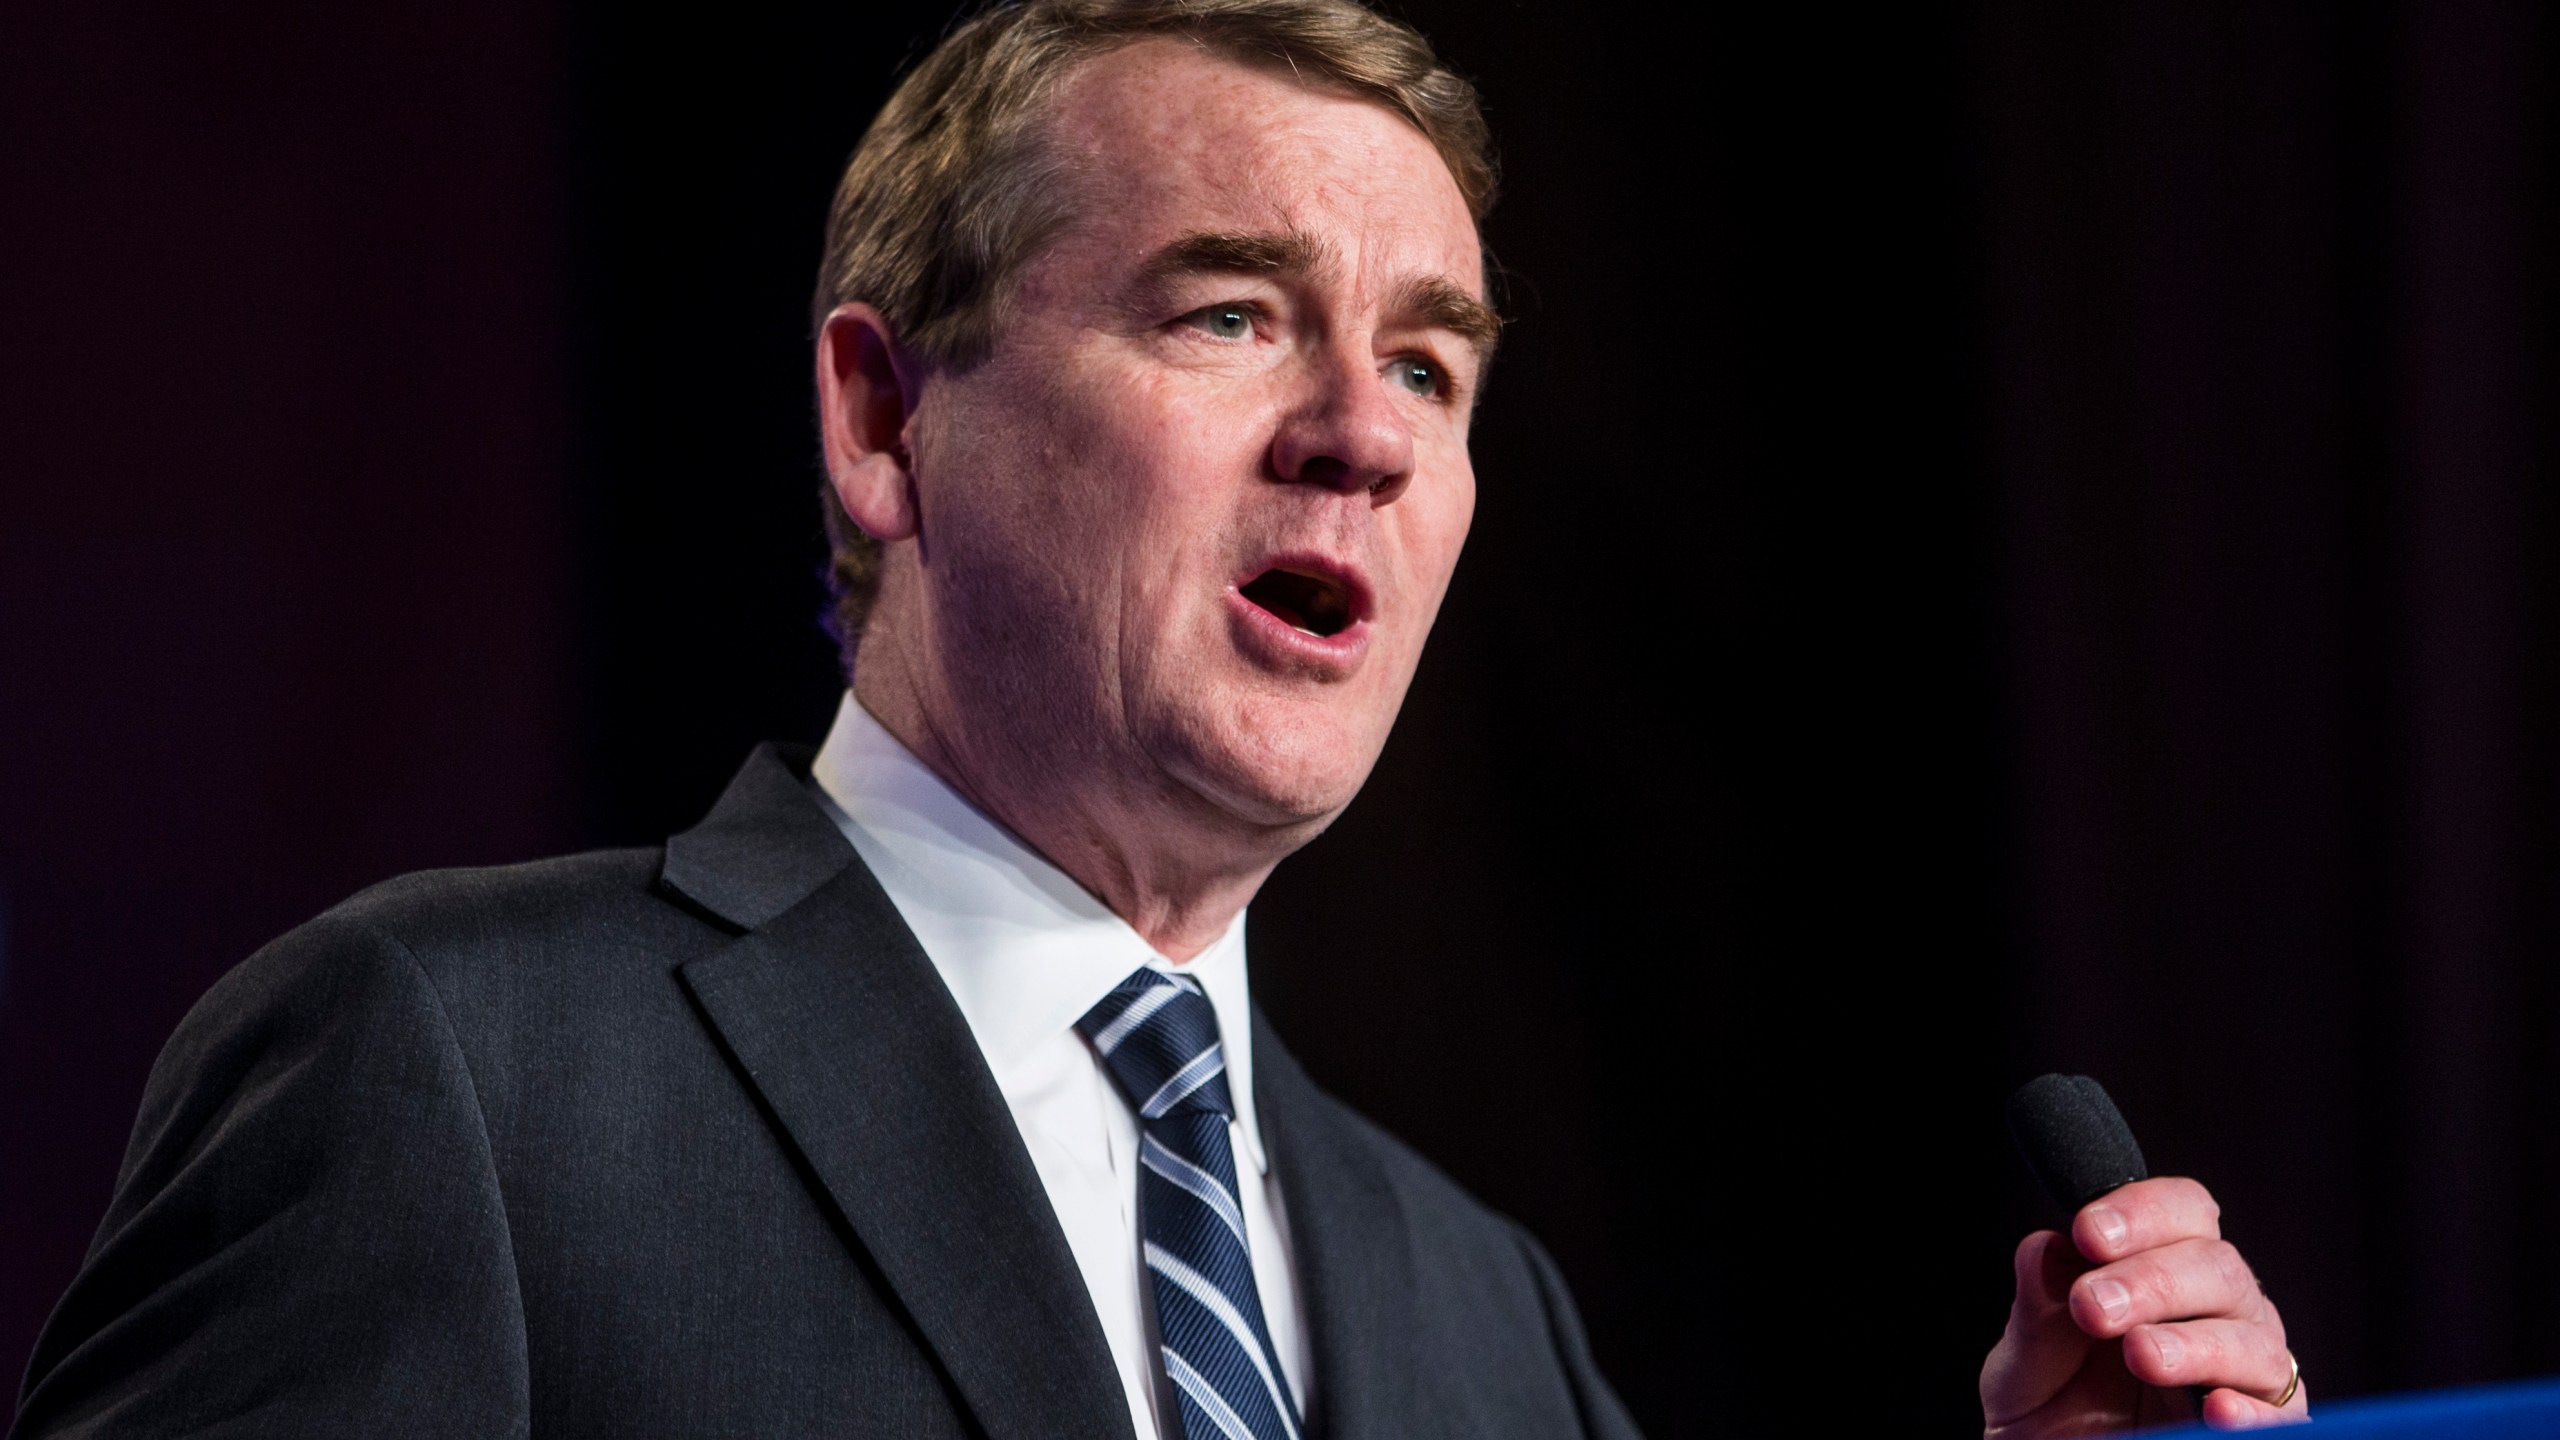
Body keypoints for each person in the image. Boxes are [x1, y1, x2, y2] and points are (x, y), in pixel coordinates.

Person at [10, 2, 2307, 1436]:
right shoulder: (457, 1074)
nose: (1364, 435)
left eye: (1428, 360)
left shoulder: (1471, 1307)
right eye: (1229, 316)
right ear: (880, 418)